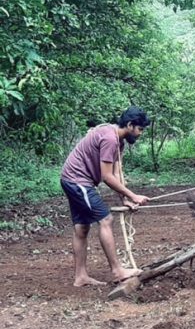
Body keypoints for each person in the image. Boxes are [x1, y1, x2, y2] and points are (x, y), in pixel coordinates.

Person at [60, 106, 151, 287]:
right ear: (130, 125)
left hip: (72, 180)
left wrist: (124, 198)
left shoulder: (118, 141)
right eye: (140, 129)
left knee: (82, 228)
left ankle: (81, 276)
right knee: (106, 220)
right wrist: (133, 195)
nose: (140, 134)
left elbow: (116, 175)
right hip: (78, 181)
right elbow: (107, 177)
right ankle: (117, 270)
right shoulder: (110, 139)